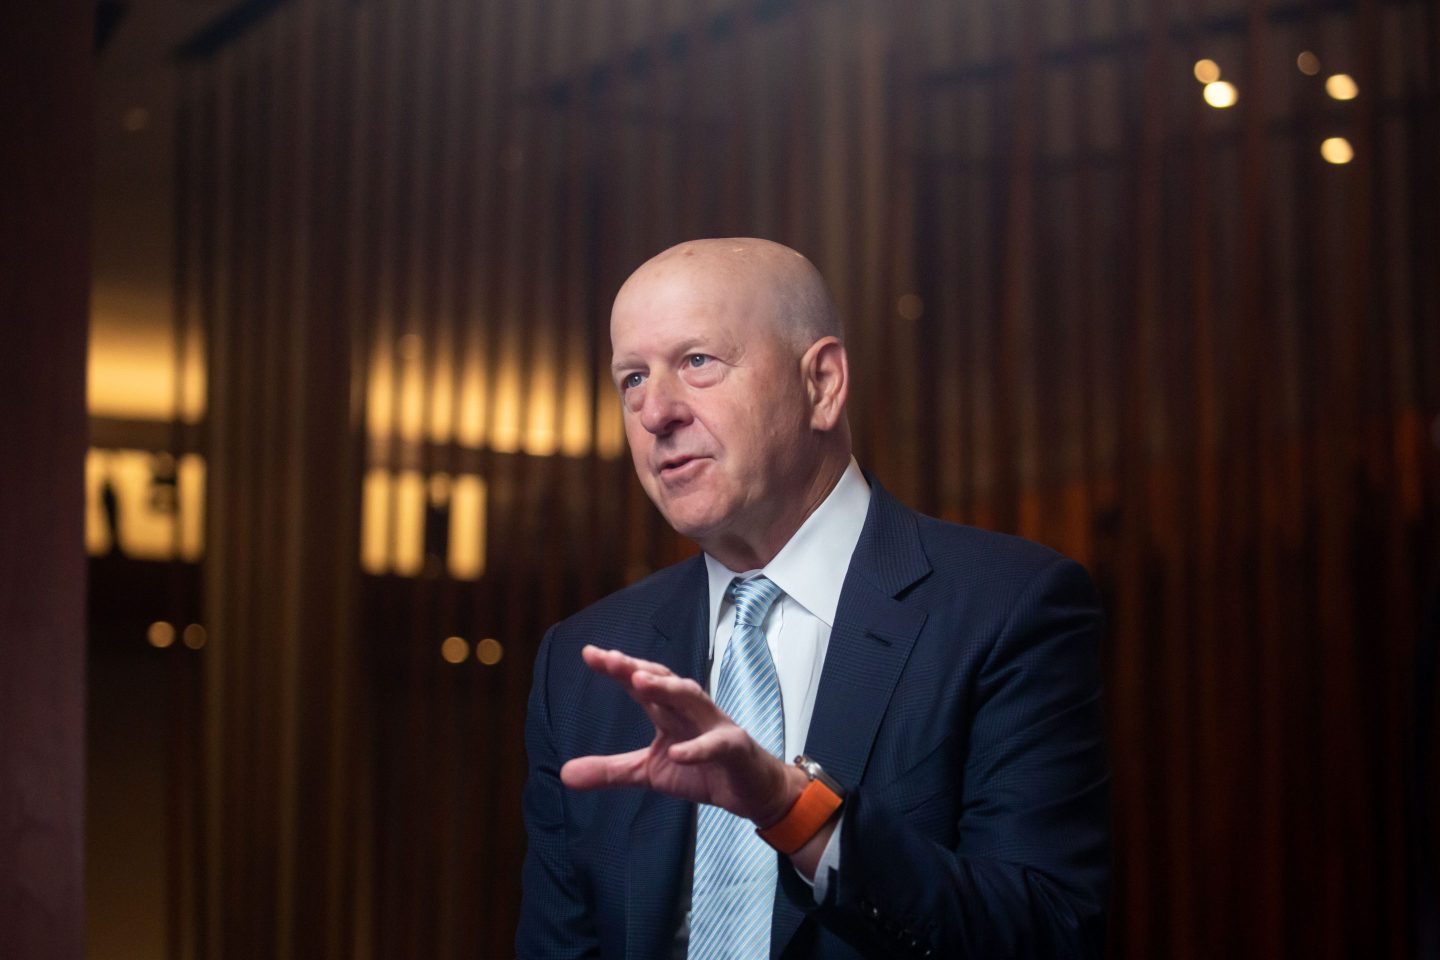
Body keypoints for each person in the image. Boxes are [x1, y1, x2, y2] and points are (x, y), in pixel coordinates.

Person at [518, 238, 1109, 959]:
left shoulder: (1007, 607)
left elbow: (1049, 933)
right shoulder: (583, 664)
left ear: (822, 383)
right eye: (633, 378)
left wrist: (796, 814)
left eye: (697, 361)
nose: (655, 413)